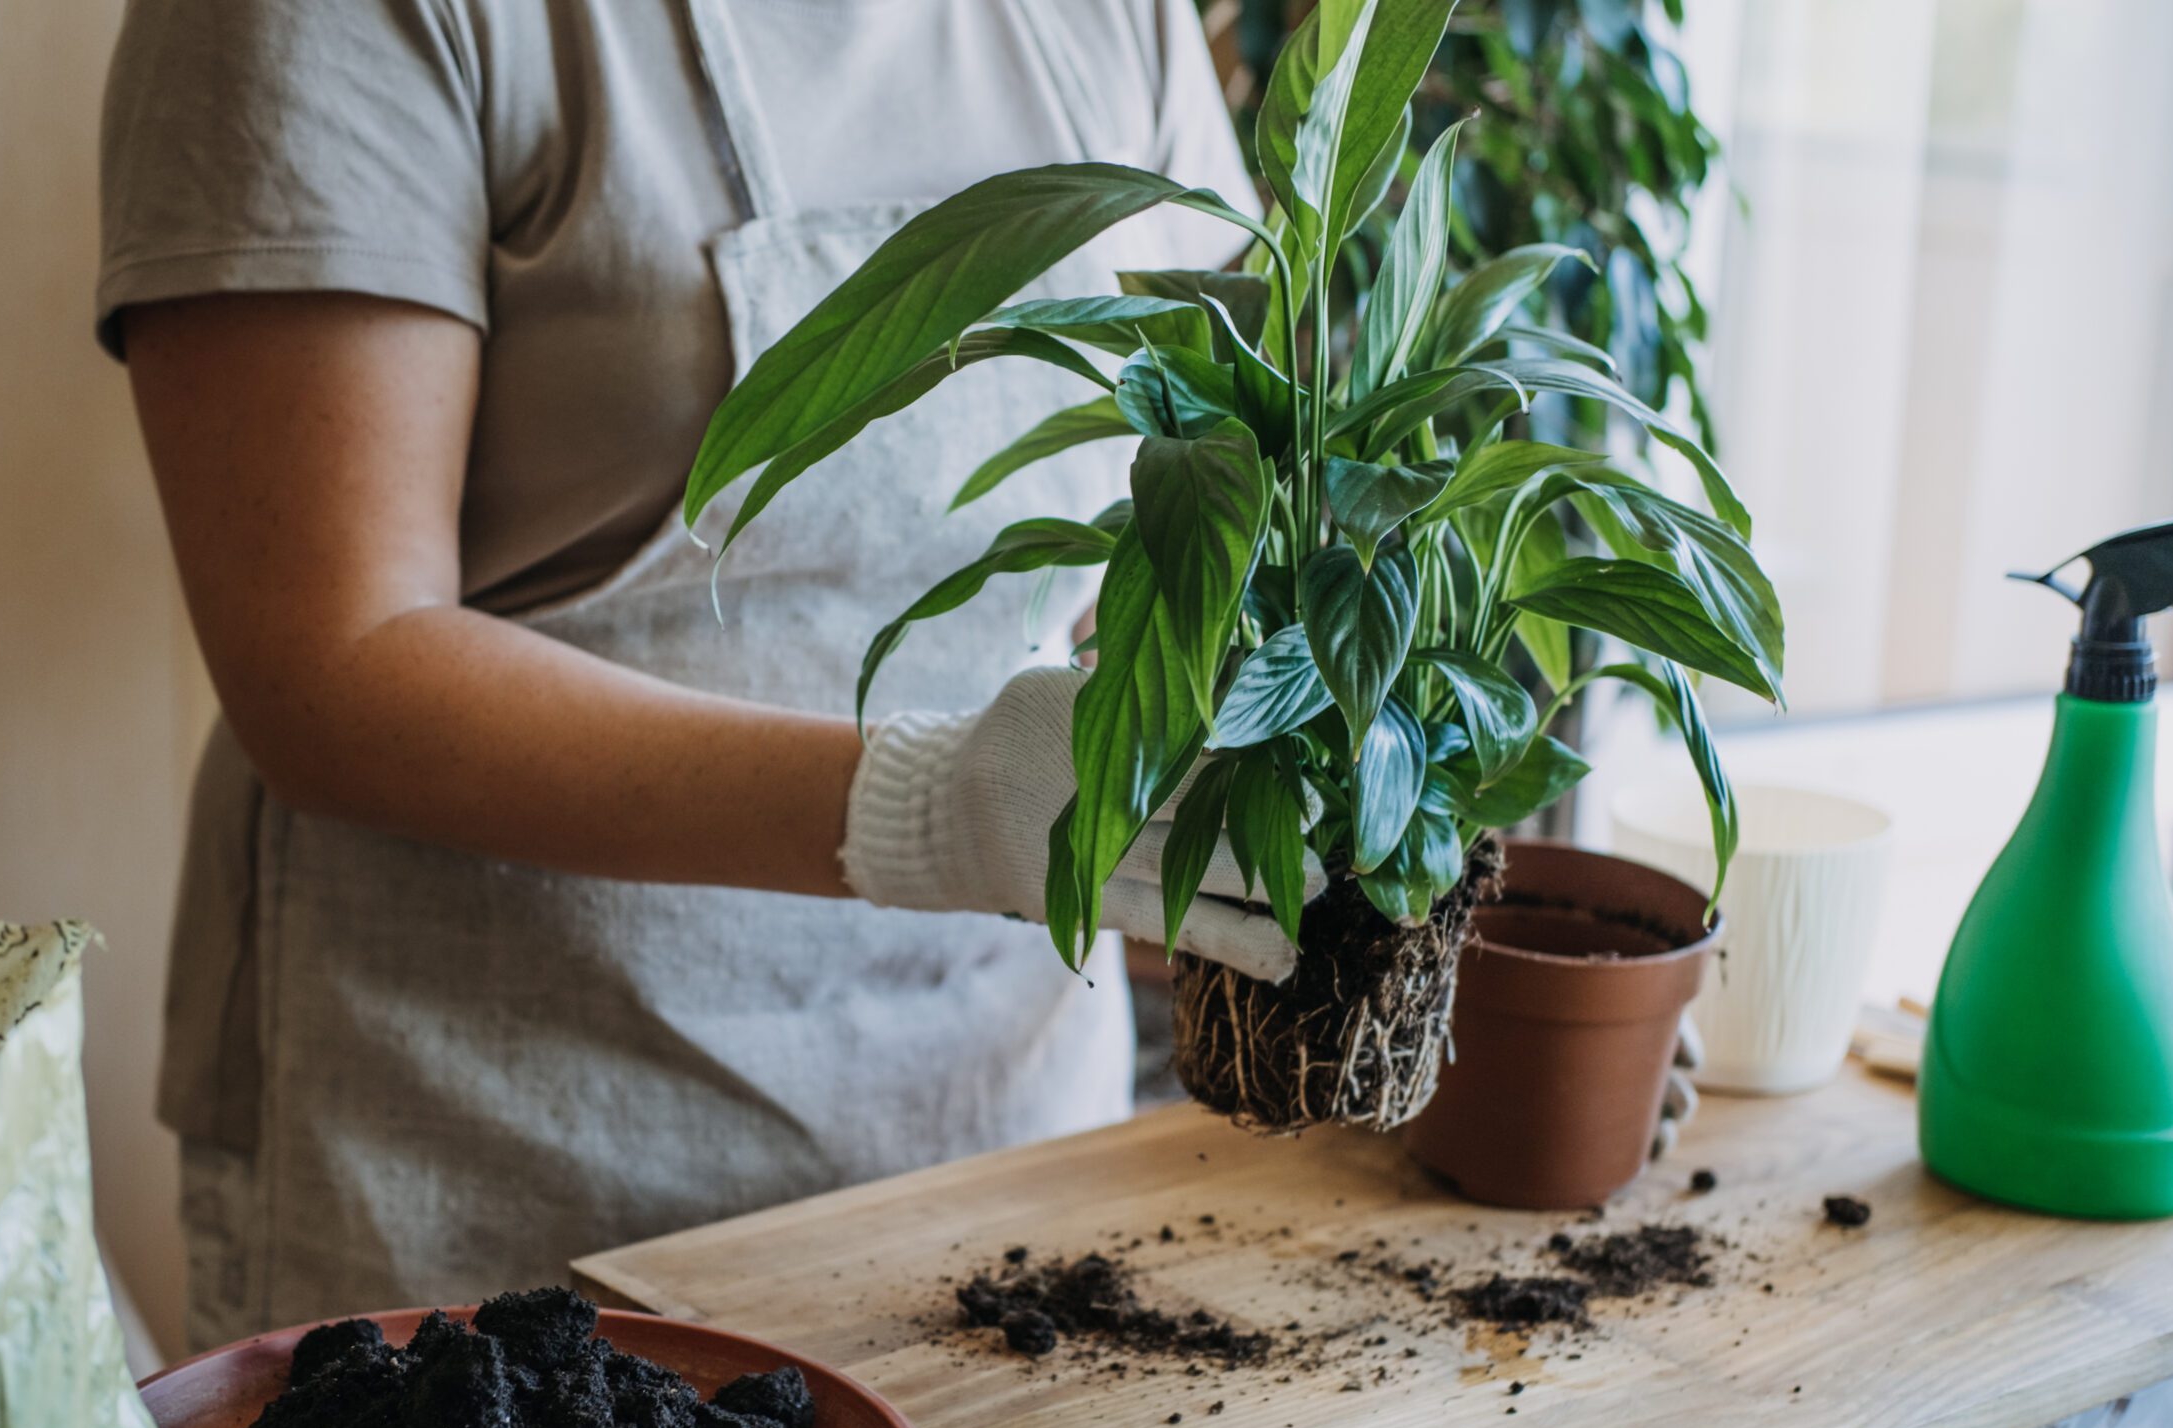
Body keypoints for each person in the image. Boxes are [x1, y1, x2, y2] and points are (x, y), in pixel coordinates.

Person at [99, 0, 1301, 1352]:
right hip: (498, 1204)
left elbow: (1213, 454)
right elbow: (330, 666)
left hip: (1001, 1180)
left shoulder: (1109, 21)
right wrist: (937, 802)